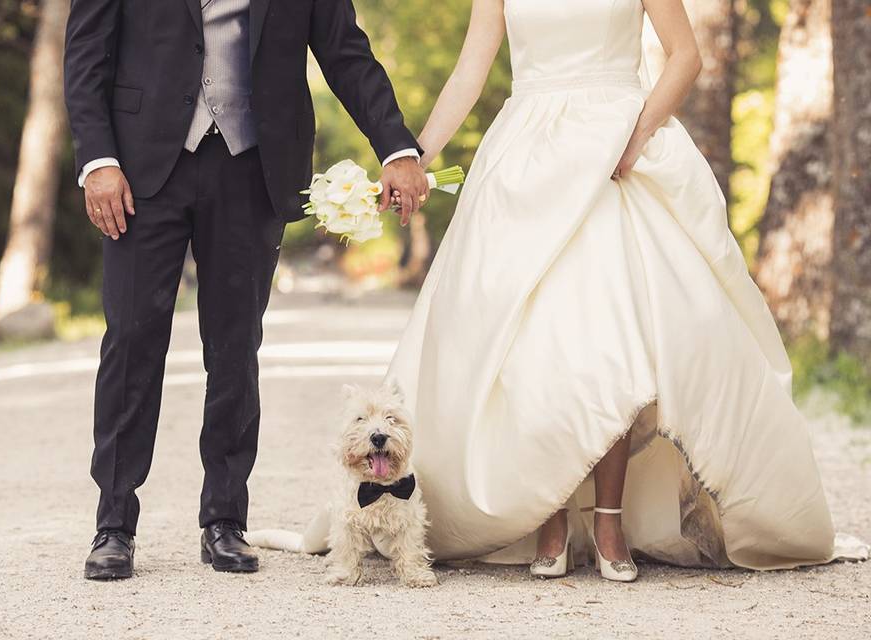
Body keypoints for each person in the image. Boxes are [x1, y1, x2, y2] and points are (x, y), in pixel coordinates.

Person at [381, 0, 865, 579]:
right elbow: (471, 69)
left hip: (616, 152)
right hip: (527, 161)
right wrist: (414, 158)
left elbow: (686, 57)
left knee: (611, 337)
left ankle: (609, 520)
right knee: (532, 339)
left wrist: (635, 137)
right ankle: (551, 519)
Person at [63, 0, 428, 580]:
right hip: (139, 164)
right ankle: (113, 524)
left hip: (252, 165)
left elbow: (344, 51)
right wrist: (98, 159)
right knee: (132, 341)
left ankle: (224, 520)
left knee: (235, 346)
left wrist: (396, 147)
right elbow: (86, 50)